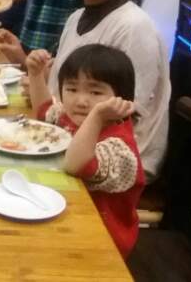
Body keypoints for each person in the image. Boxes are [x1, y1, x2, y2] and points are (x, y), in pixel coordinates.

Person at [29, 0, 170, 179]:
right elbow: (60, 89)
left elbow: (125, 112)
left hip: (114, 158)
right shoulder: (77, 17)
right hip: (70, 132)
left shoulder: (133, 27)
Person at [26, 44, 144, 257]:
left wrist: (97, 116)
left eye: (95, 92)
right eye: (71, 89)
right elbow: (45, 113)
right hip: (65, 214)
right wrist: (36, 75)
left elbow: (76, 165)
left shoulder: (120, 147)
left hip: (101, 239)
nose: (81, 101)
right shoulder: (71, 119)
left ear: (122, 98)